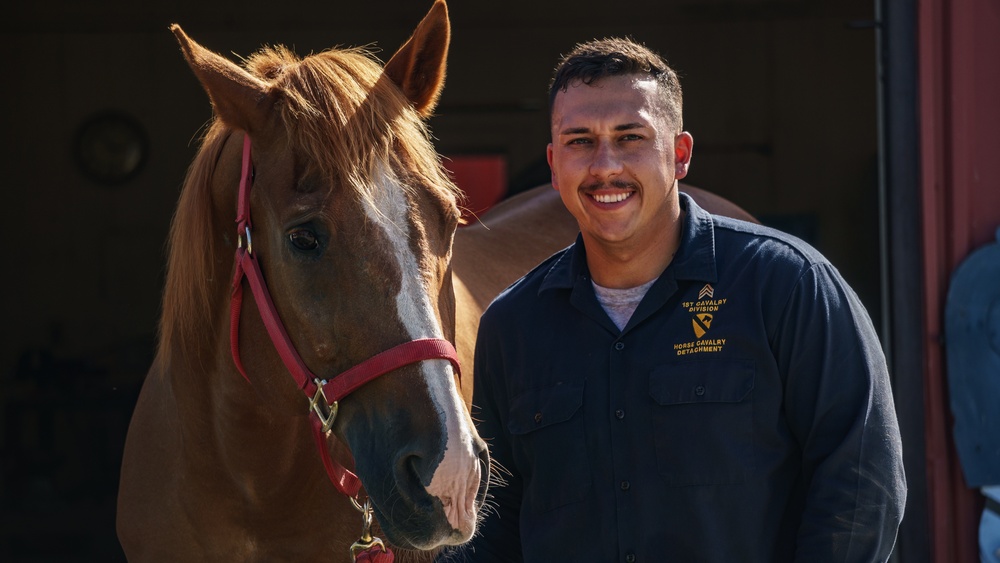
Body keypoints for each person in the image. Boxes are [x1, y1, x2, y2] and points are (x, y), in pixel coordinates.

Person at [449, 38, 906, 562]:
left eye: (630, 137)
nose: (604, 166)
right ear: (554, 165)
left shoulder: (787, 287)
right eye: (579, 141)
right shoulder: (513, 327)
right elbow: (495, 525)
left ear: (680, 154)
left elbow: (861, 479)